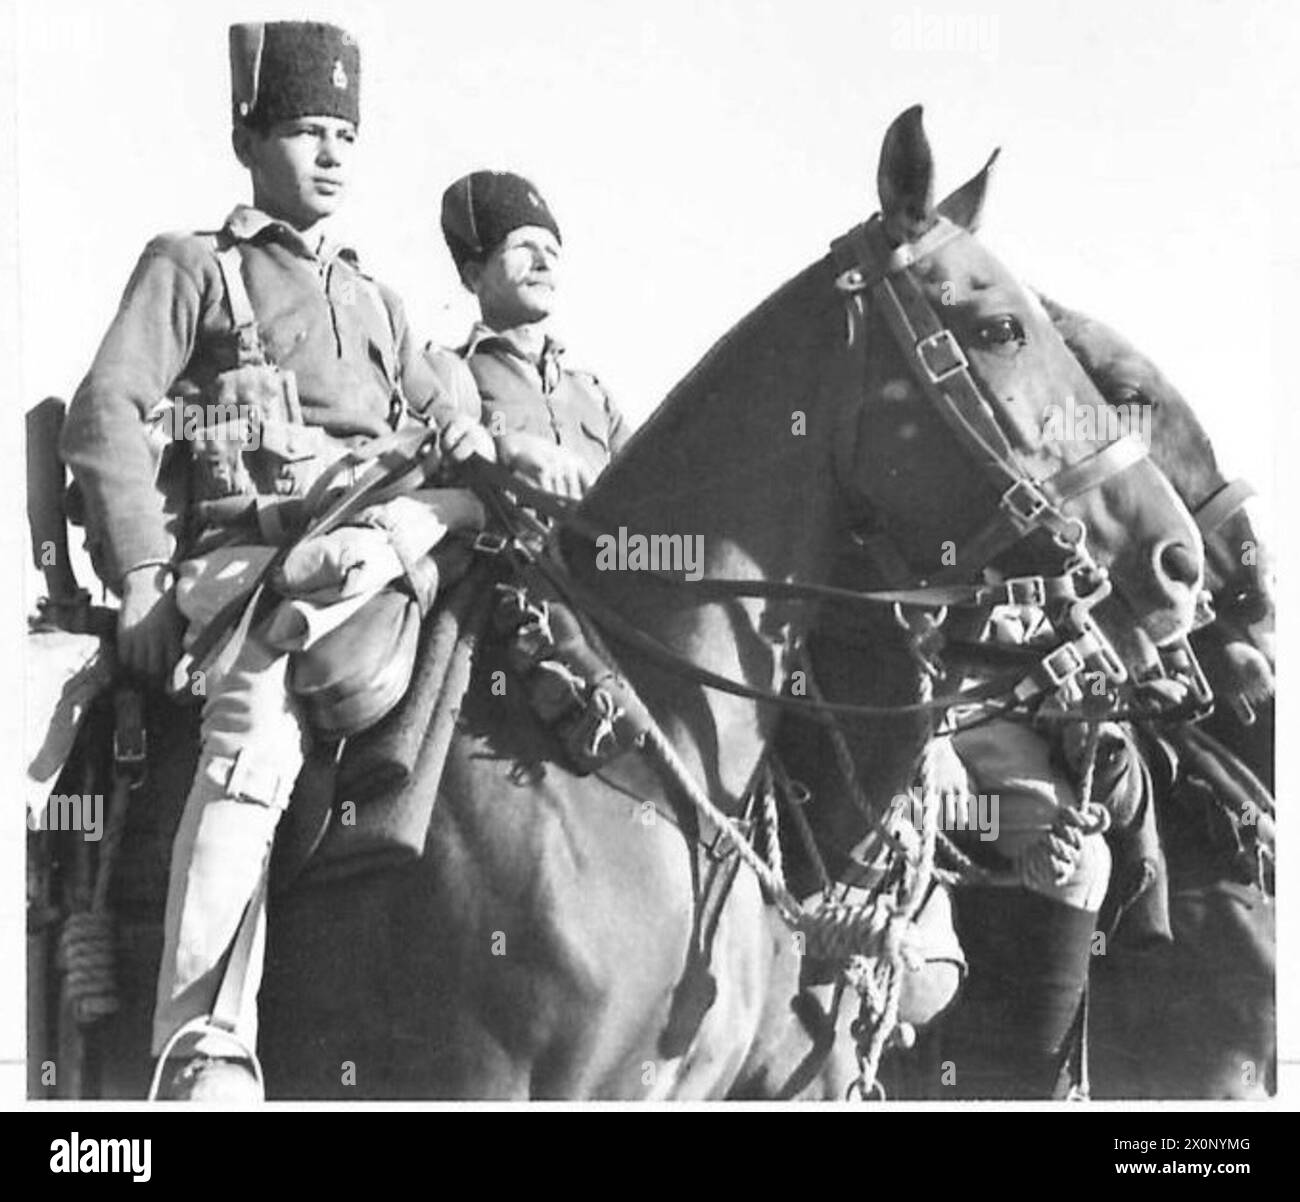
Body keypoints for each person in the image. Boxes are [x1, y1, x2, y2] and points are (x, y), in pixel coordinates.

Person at [60, 20, 493, 1101]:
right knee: (255, 710)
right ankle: (200, 1036)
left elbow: (460, 434)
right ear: (249, 138)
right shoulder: (194, 267)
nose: (335, 153)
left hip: (390, 550)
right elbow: (106, 411)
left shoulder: (383, 302)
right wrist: (145, 576)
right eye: (307, 129)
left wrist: (496, 456)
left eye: (347, 132)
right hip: (244, 568)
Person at [440, 171, 630, 498]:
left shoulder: (595, 396)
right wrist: (502, 449)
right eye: (523, 247)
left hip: (603, 550)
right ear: (474, 276)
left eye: (552, 252)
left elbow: (651, 495)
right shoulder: (447, 375)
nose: (543, 263)